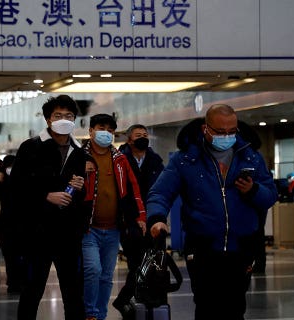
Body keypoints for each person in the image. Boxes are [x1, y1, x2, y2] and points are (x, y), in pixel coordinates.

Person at [147, 104, 277, 320]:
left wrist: (253, 190)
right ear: (205, 129)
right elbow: (160, 192)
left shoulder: (251, 158)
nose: (227, 136)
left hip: (241, 247)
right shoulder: (185, 160)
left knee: (235, 307)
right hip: (203, 248)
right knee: (207, 306)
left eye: (232, 131)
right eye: (220, 132)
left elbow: (270, 195)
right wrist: (157, 219)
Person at [10, 94, 86, 320]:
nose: (64, 119)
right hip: (38, 233)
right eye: (58, 115)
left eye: (69, 116)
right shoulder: (30, 148)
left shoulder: (79, 151)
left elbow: (78, 194)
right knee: (32, 290)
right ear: (48, 119)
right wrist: (46, 196)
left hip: (68, 234)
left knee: (73, 292)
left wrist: (78, 188)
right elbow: (16, 189)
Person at [80, 114, 146, 320]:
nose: (106, 133)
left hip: (114, 228)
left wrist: (140, 216)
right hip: (88, 228)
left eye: (110, 130)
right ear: (90, 131)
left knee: (107, 276)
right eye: (101, 128)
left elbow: (133, 188)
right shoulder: (80, 158)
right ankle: (90, 313)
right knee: (93, 270)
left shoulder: (120, 159)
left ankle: (100, 314)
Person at [114, 123, 163, 317]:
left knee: (148, 262)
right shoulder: (120, 159)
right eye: (138, 135)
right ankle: (127, 299)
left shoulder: (155, 160)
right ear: (129, 139)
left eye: (145, 134)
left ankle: (133, 298)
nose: (142, 137)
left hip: (151, 218)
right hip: (130, 220)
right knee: (136, 262)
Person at [0, 155, 24, 294]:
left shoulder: (24, 181)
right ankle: (12, 282)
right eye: (9, 166)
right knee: (9, 254)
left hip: (22, 223)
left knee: (21, 254)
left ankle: (20, 281)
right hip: (7, 223)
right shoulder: (1, 183)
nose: (11, 169)